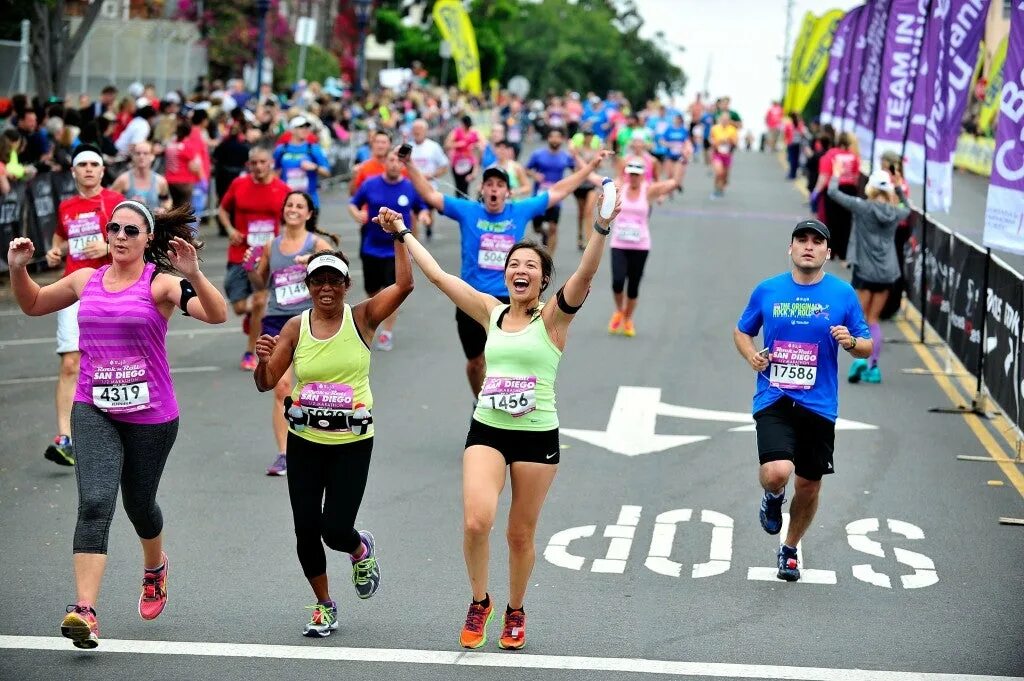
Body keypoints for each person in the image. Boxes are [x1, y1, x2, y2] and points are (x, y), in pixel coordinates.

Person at [375, 185, 620, 649]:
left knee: (519, 534)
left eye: (531, 266)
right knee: (476, 522)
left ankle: (515, 609)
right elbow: (440, 277)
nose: (520, 270)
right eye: (514, 264)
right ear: (505, 274)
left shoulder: (552, 320)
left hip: (536, 436)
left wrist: (601, 226)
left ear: (544, 280)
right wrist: (404, 231)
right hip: (488, 428)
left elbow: (586, 273)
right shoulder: (491, 312)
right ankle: (480, 601)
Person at [8, 201, 227, 649]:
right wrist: (18, 268)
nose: (121, 235)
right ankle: (85, 611)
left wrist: (196, 274)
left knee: (139, 504)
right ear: (106, 235)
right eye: (114, 228)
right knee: (94, 502)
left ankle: (154, 569)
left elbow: (217, 314)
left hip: (152, 416)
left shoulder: (162, 284)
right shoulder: (85, 280)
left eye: (131, 229)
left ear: (148, 239)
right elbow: (32, 303)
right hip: (93, 408)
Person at [252, 239, 413, 638]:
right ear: (308, 286)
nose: (326, 288)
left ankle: (360, 549)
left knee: (335, 530)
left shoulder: (362, 318)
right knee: (305, 529)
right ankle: (325, 605)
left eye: (333, 281)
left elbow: (405, 285)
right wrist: (263, 359)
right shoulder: (295, 326)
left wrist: (398, 238)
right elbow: (266, 383)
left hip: (352, 444)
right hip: (304, 441)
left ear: (346, 285)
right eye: (318, 280)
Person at [402, 146, 608, 398]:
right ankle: (480, 402)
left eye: (500, 185)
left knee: (508, 361)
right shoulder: (468, 211)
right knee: (476, 363)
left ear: (507, 192)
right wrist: (409, 164)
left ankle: (504, 404)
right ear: (482, 190)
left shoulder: (519, 210)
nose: (494, 189)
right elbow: (430, 195)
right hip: (471, 299)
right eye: (489, 184)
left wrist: (588, 168)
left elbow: (558, 190)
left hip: (510, 299)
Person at [733, 219, 871, 582]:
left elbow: (867, 345)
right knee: (777, 471)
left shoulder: (843, 295)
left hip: (820, 404)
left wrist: (851, 343)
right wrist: (750, 356)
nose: (808, 246)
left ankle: (790, 547)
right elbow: (742, 330)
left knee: (809, 485)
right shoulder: (768, 290)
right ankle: (773, 495)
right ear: (790, 249)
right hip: (774, 395)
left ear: (828, 252)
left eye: (816, 241)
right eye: (801, 240)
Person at [42, 146, 126, 467]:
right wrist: (54, 252)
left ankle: (115, 429)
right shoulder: (66, 206)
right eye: (83, 165)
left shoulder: (116, 203)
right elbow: (60, 237)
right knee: (69, 363)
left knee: (112, 363)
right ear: (74, 172)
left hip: (109, 288)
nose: (89, 169)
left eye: (95, 164)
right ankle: (65, 439)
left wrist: (106, 245)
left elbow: (140, 238)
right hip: (72, 289)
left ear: (103, 171)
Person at [247, 191, 338, 476]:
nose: (294, 210)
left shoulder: (317, 244)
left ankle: (322, 444)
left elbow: (339, 274)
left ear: (309, 214)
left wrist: (316, 260)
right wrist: (250, 267)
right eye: (290, 205)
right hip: (276, 321)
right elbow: (260, 282)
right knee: (282, 388)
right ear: (283, 210)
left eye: (300, 206)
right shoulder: (271, 245)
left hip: (310, 321)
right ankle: (285, 453)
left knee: (317, 387)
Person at [827, 168, 911, 384]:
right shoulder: (895, 212)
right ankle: (873, 367)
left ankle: (860, 361)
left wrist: (836, 173)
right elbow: (908, 209)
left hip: (865, 269)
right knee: (874, 319)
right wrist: (899, 188)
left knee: (861, 319)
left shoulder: (863, 207)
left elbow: (833, 193)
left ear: (871, 188)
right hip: (887, 272)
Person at [217, 145, 291, 370]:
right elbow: (222, 210)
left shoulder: (283, 189)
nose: (258, 167)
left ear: (270, 164)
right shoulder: (239, 185)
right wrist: (230, 231)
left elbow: (291, 221)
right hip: (241, 254)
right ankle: (253, 316)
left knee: (260, 301)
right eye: (254, 163)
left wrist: (285, 244)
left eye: (263, 162)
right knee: (240, 307)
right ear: (249, 165)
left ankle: (250, 353)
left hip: (268, 256)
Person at [348, 149, 428, 351]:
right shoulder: (370, 184)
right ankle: (373, 320)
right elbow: (353, 203)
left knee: (393, 293)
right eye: (390, 160)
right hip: (371, 247)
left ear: (402, 165)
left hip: (396, 251)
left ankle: (387, 332)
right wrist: (357, 214)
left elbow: (421, 207)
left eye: (397, 161)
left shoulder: (409, 187)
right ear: (384, 163)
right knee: (373, 292)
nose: (394, 164)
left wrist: (425, 216)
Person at [607, 158, 683, 337]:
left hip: (640, 245)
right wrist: (591, 164)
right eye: (631, 174)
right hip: (619, 243)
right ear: (627, 174)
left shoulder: (649, 190)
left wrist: (683, 161)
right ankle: (619, 310)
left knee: (633, 285)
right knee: (617, 281)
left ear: (642, 176)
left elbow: (674, 182)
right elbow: (597, 180)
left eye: (637, 174)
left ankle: (628, 318)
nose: (633, 177)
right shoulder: (619, 188)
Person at [810, 131, 860, 262]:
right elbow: (856, 178)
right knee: (845, 223)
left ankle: (831, 252)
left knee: (831, 221)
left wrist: (816, 192)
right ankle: (843, 253)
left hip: (833, 189)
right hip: (849, 190)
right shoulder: (853, 157)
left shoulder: (830, 155)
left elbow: (824, 176)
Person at [525, 127, 575, 255]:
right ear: (548, 139)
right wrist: (534, 175)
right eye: (552, 136)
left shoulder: (565, 156)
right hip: (540, 196)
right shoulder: (538, 154)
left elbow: (575, 170)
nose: (555, 139)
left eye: (558, 137)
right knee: (537, 228)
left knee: (553, 228)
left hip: (556, 198)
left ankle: (548, 258)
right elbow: (526, 169)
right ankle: (544, 234)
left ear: (562, 140)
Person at [274, 116, 331, 208]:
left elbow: (327, 172)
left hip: (309, 200)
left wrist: (314, 167)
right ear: (292, 130)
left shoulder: (314, 149)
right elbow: (275, 172)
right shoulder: (281, 150)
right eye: (301, 127)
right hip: (287, 199)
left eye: (307, 127)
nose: (305, 130)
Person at [408, 119, 449, 239]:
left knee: (429, 211)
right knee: (413, 214)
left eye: (420, 129)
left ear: (425, 131)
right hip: (413, 187)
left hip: (429, 186)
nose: (417, 132)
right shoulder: (408, 147)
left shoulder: (433, 147)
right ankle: (413, 239)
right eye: (415, 129)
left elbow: (444, 166)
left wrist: (432, 175)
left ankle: (429, 228)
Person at [111, 141, 172, 214]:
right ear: (133, 156)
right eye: (138, 153)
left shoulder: (160, 181)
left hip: (154, 223)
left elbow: (167, 201)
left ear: (152, 156)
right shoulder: (123, 180)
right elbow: (110, 202)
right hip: (129, 223)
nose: (141, 156)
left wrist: (164, 209)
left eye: (146, 153)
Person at [569, 125, 604, 250]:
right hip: (580, 185)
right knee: (581, 213)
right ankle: (580, 235)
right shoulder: (577, 150)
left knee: (589, 211)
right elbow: (573, 162)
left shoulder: (596, 150)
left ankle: (589, 240)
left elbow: (599, 165)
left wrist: (600, 155)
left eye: (590, 136)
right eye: (586, 136)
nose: (588, 138)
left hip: (591, 185)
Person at [445, 115, 481, 199]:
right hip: (457, 163)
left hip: (469, 163)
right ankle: (460, 203)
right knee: (458, 186)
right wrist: (458, 144)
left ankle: (465, 202)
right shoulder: (456, 132)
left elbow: (483, 144)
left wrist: (474, 145)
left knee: (465, 186)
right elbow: (447, 144)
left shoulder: (474, 133)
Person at [709, 112, 739, 199]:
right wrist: (717, 142)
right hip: (717, 153)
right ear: (720, 119)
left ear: (729, 120)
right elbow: (711, 139)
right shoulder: (715, 128)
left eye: (727, 119)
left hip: (727, 154)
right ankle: (716, 189)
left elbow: (736, 143)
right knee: (719, 172)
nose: (725, 121)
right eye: (723, 119)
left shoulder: (732, 129)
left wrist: (729, 141)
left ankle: (721, 189)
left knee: (725, 175)